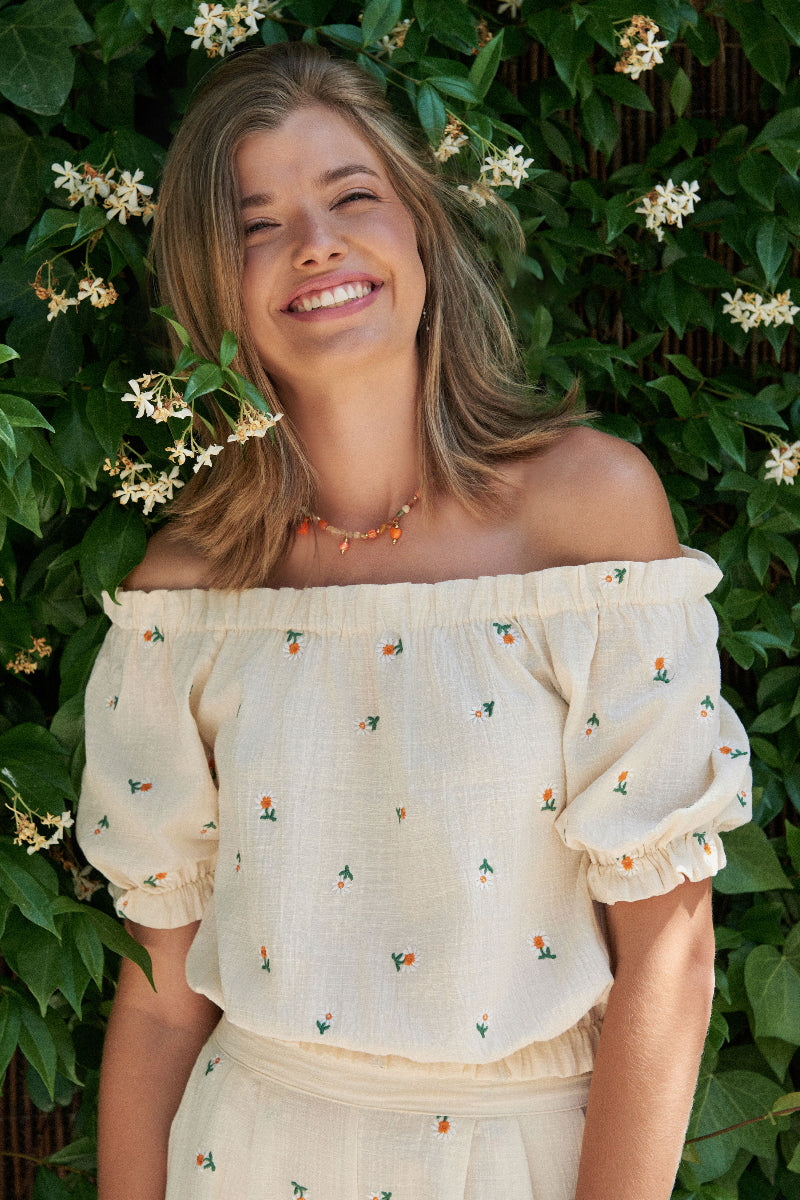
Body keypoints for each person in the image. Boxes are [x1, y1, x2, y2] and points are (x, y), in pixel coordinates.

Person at [76, 42, 751, 1200]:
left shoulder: (585, 520)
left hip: (516, 1158)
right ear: (211, 289)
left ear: (423, 233)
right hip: (241, 1154)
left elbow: (670, 957)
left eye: (351, 197)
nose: (315, 243)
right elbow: (159, 1003)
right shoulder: (186, 597)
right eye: (256, 225)